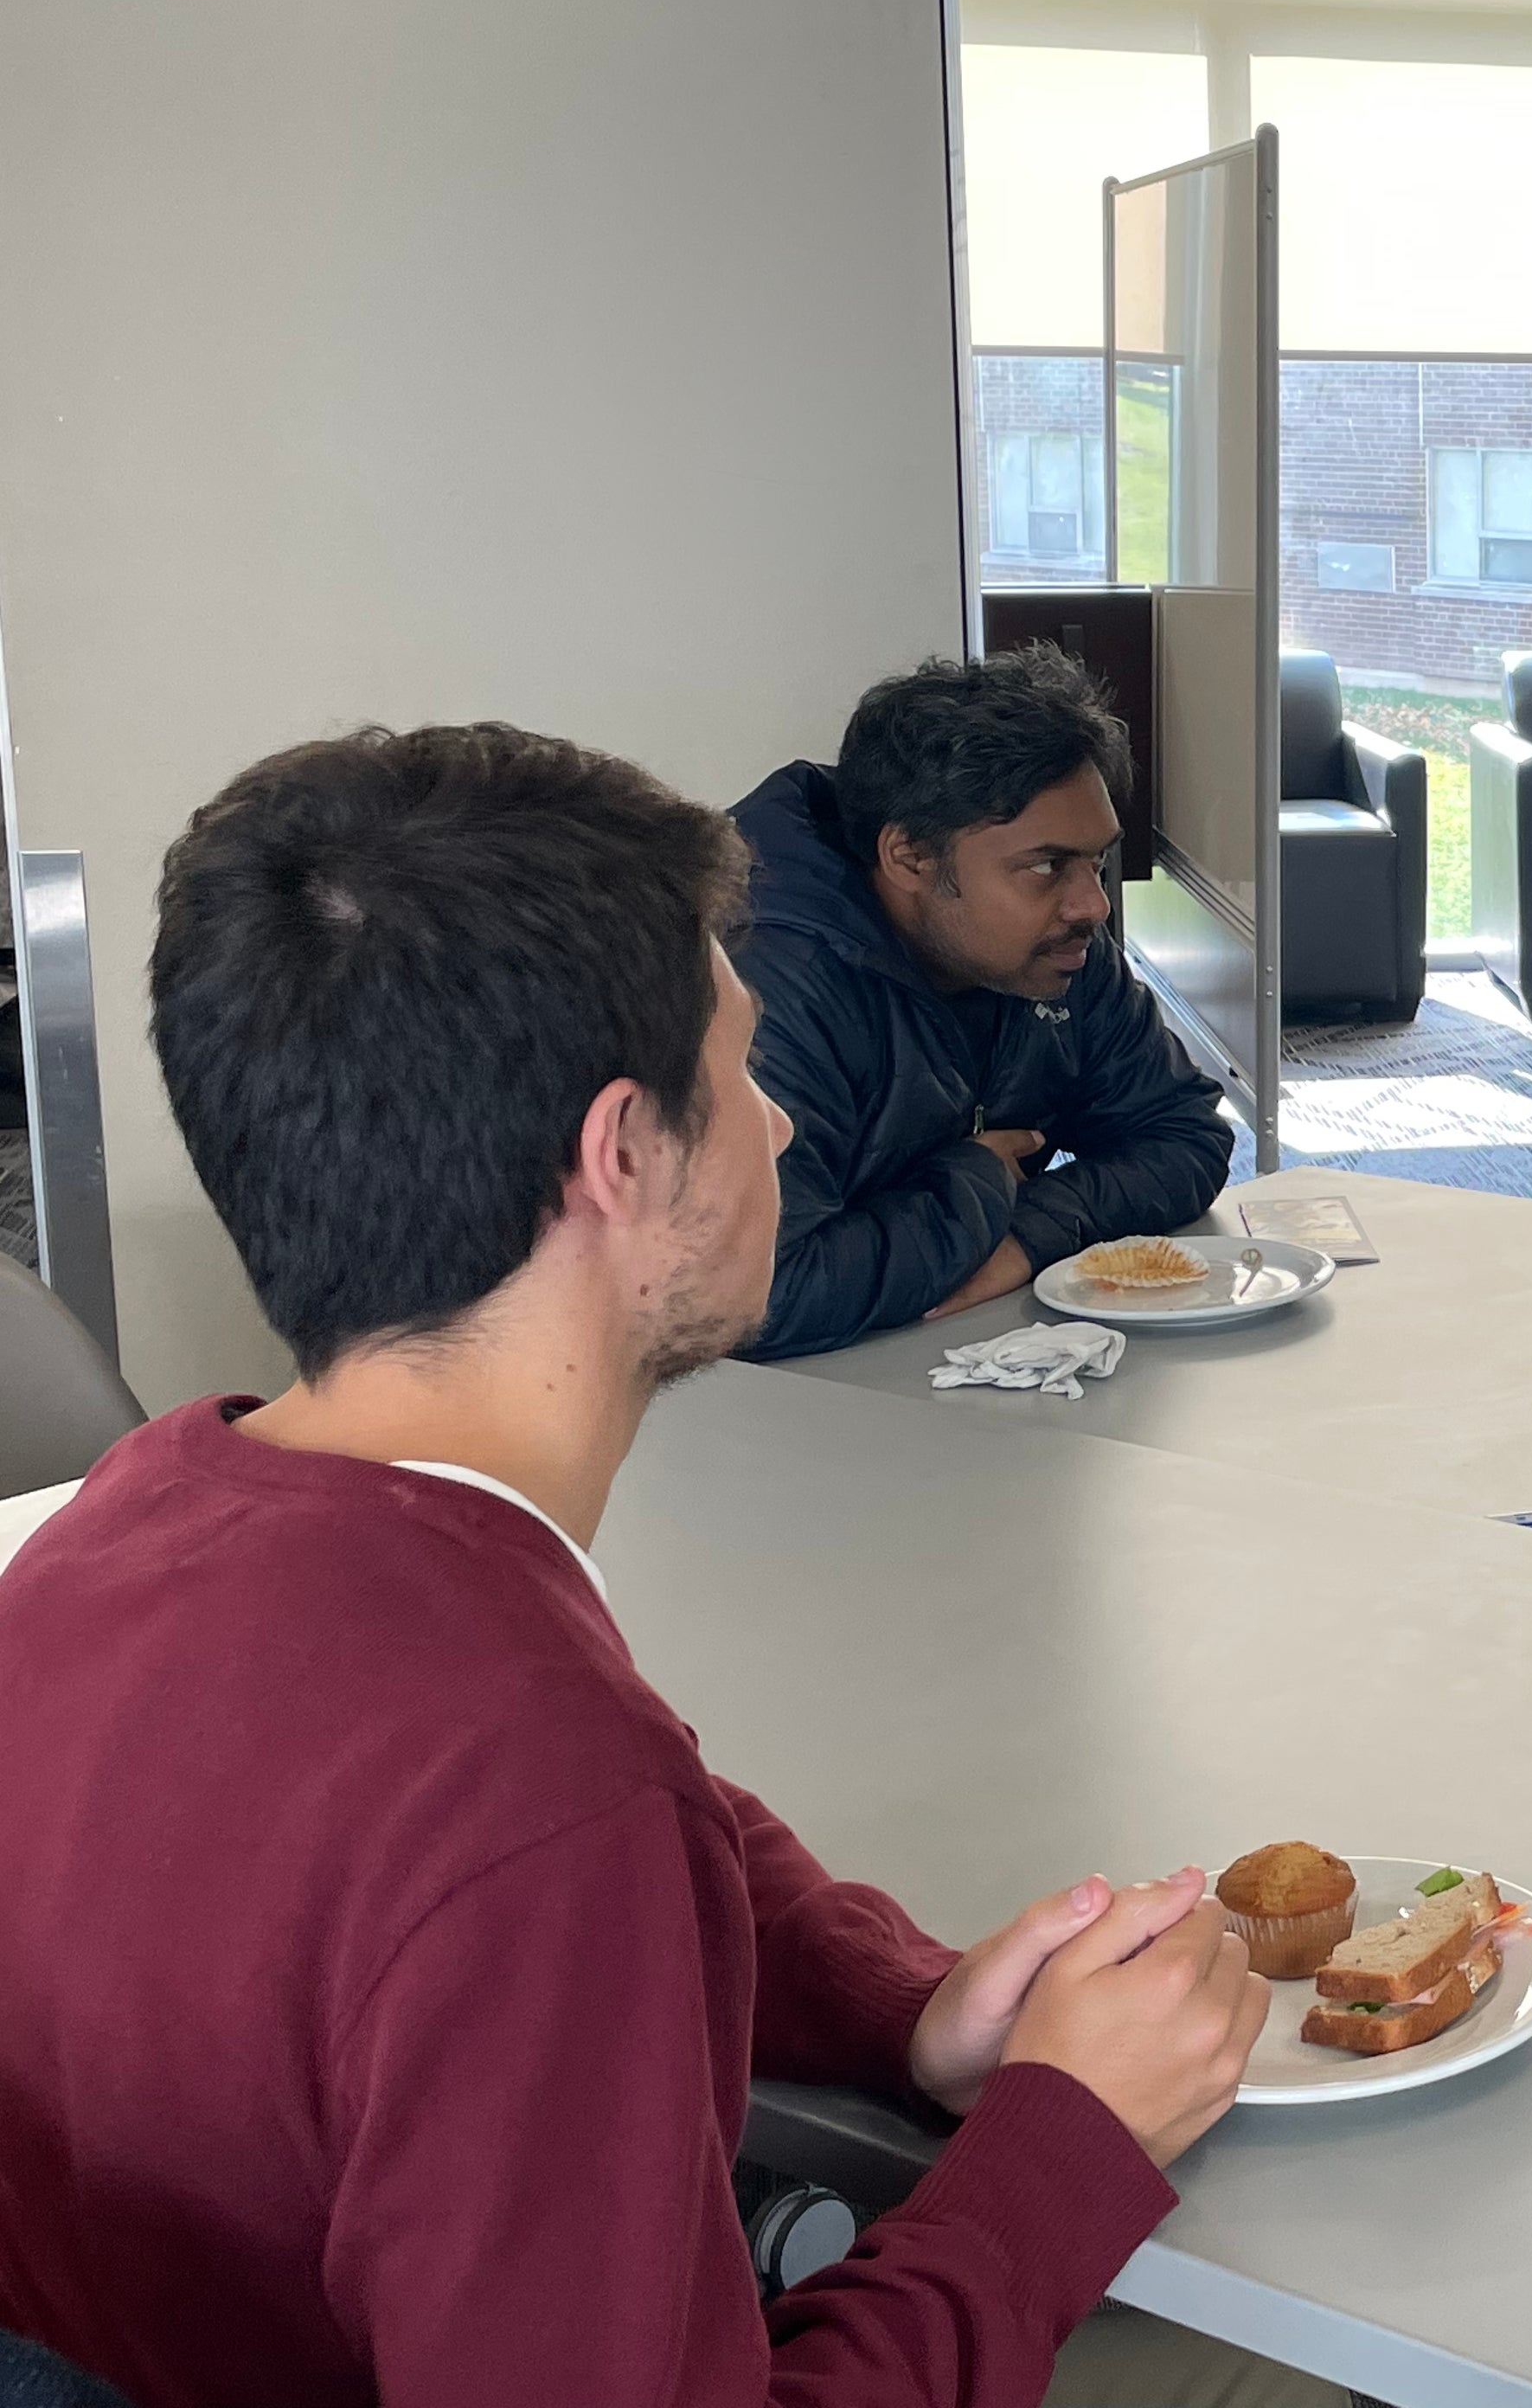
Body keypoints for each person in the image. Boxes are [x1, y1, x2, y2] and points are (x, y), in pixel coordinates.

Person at [0, 724, 1334, 2408]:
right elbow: (542, 1854)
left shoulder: (123, 1525)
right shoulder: (535, 1805)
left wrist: (899, 2002)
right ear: (625, 1159)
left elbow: (578, 1842)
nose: (783, 1132)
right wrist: (1062, 2152)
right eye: (747, 1076)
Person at [731, 650, 1232, 1360]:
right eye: (1045, 866)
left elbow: (1185, 1136)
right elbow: (761, 1296)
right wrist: (978, 1179)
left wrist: (1030, 1231)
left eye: (1097, 862)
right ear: (908, 857)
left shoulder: (1054, 947)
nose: (1093, 905)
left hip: (958, 1367)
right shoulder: (765, 983)